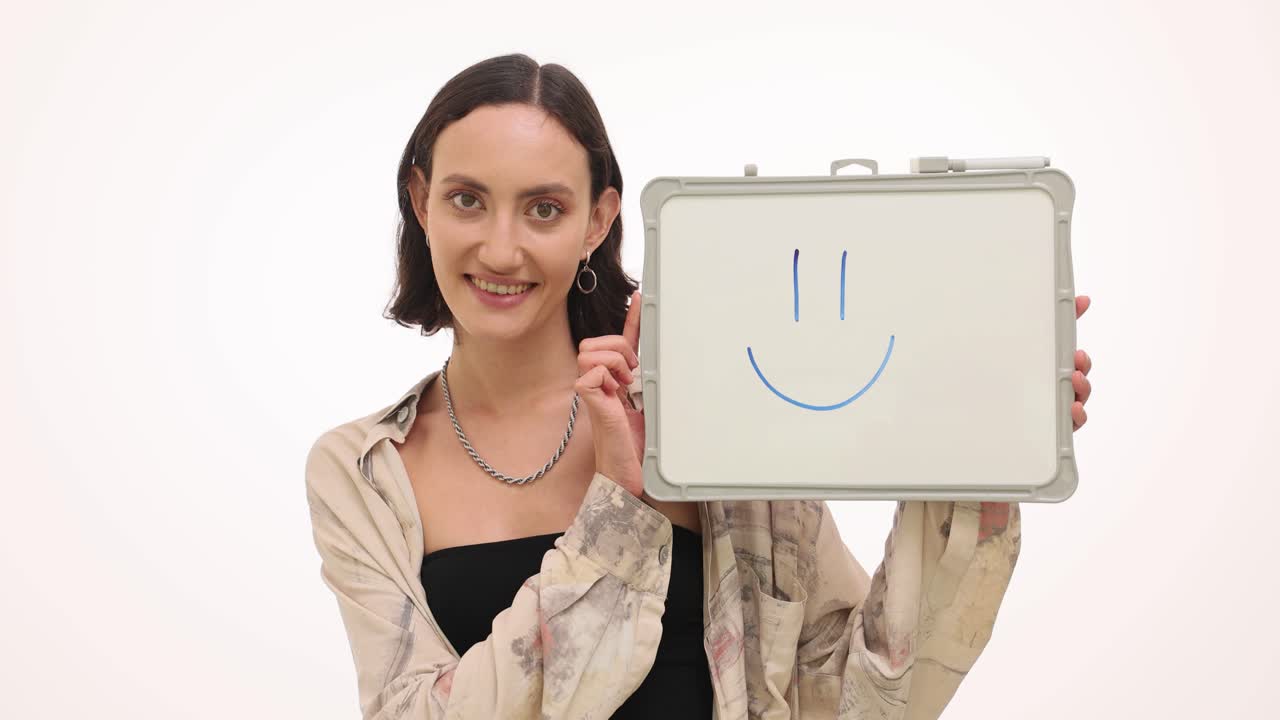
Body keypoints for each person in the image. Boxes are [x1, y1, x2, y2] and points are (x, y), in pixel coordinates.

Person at [303, 53, 1095, 720]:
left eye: (544, 209)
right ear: (421, 200)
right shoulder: (365, 472)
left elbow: (853, 697)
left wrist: (978, 452)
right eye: (468, 200)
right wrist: (617, 506)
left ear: (598, 221)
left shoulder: (718, 421)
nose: (501, 248)